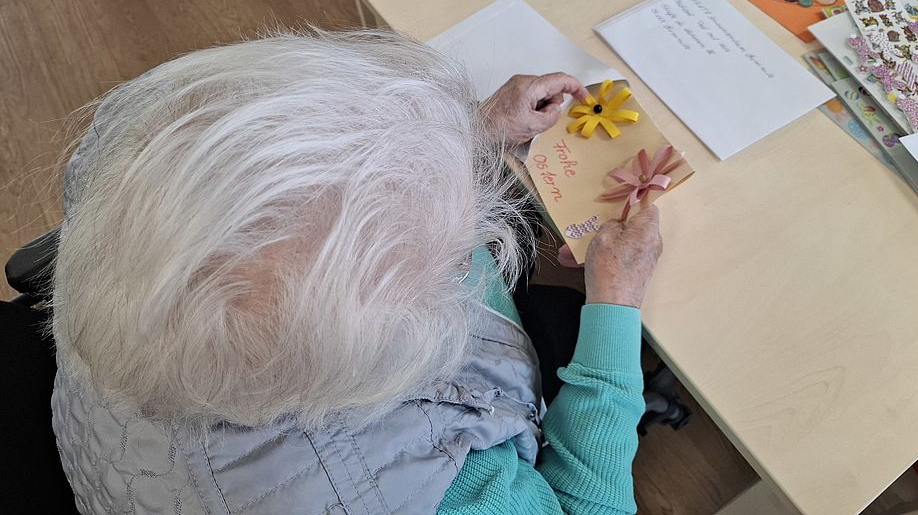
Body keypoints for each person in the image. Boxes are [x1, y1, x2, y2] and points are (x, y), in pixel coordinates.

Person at [50, 30, 664, 514]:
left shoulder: (128, 196)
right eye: (452, 254)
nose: (473, 233)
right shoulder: (431, 490)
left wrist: (463, 137)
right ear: (386, 357)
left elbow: (294, 223)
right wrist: (613, 308)